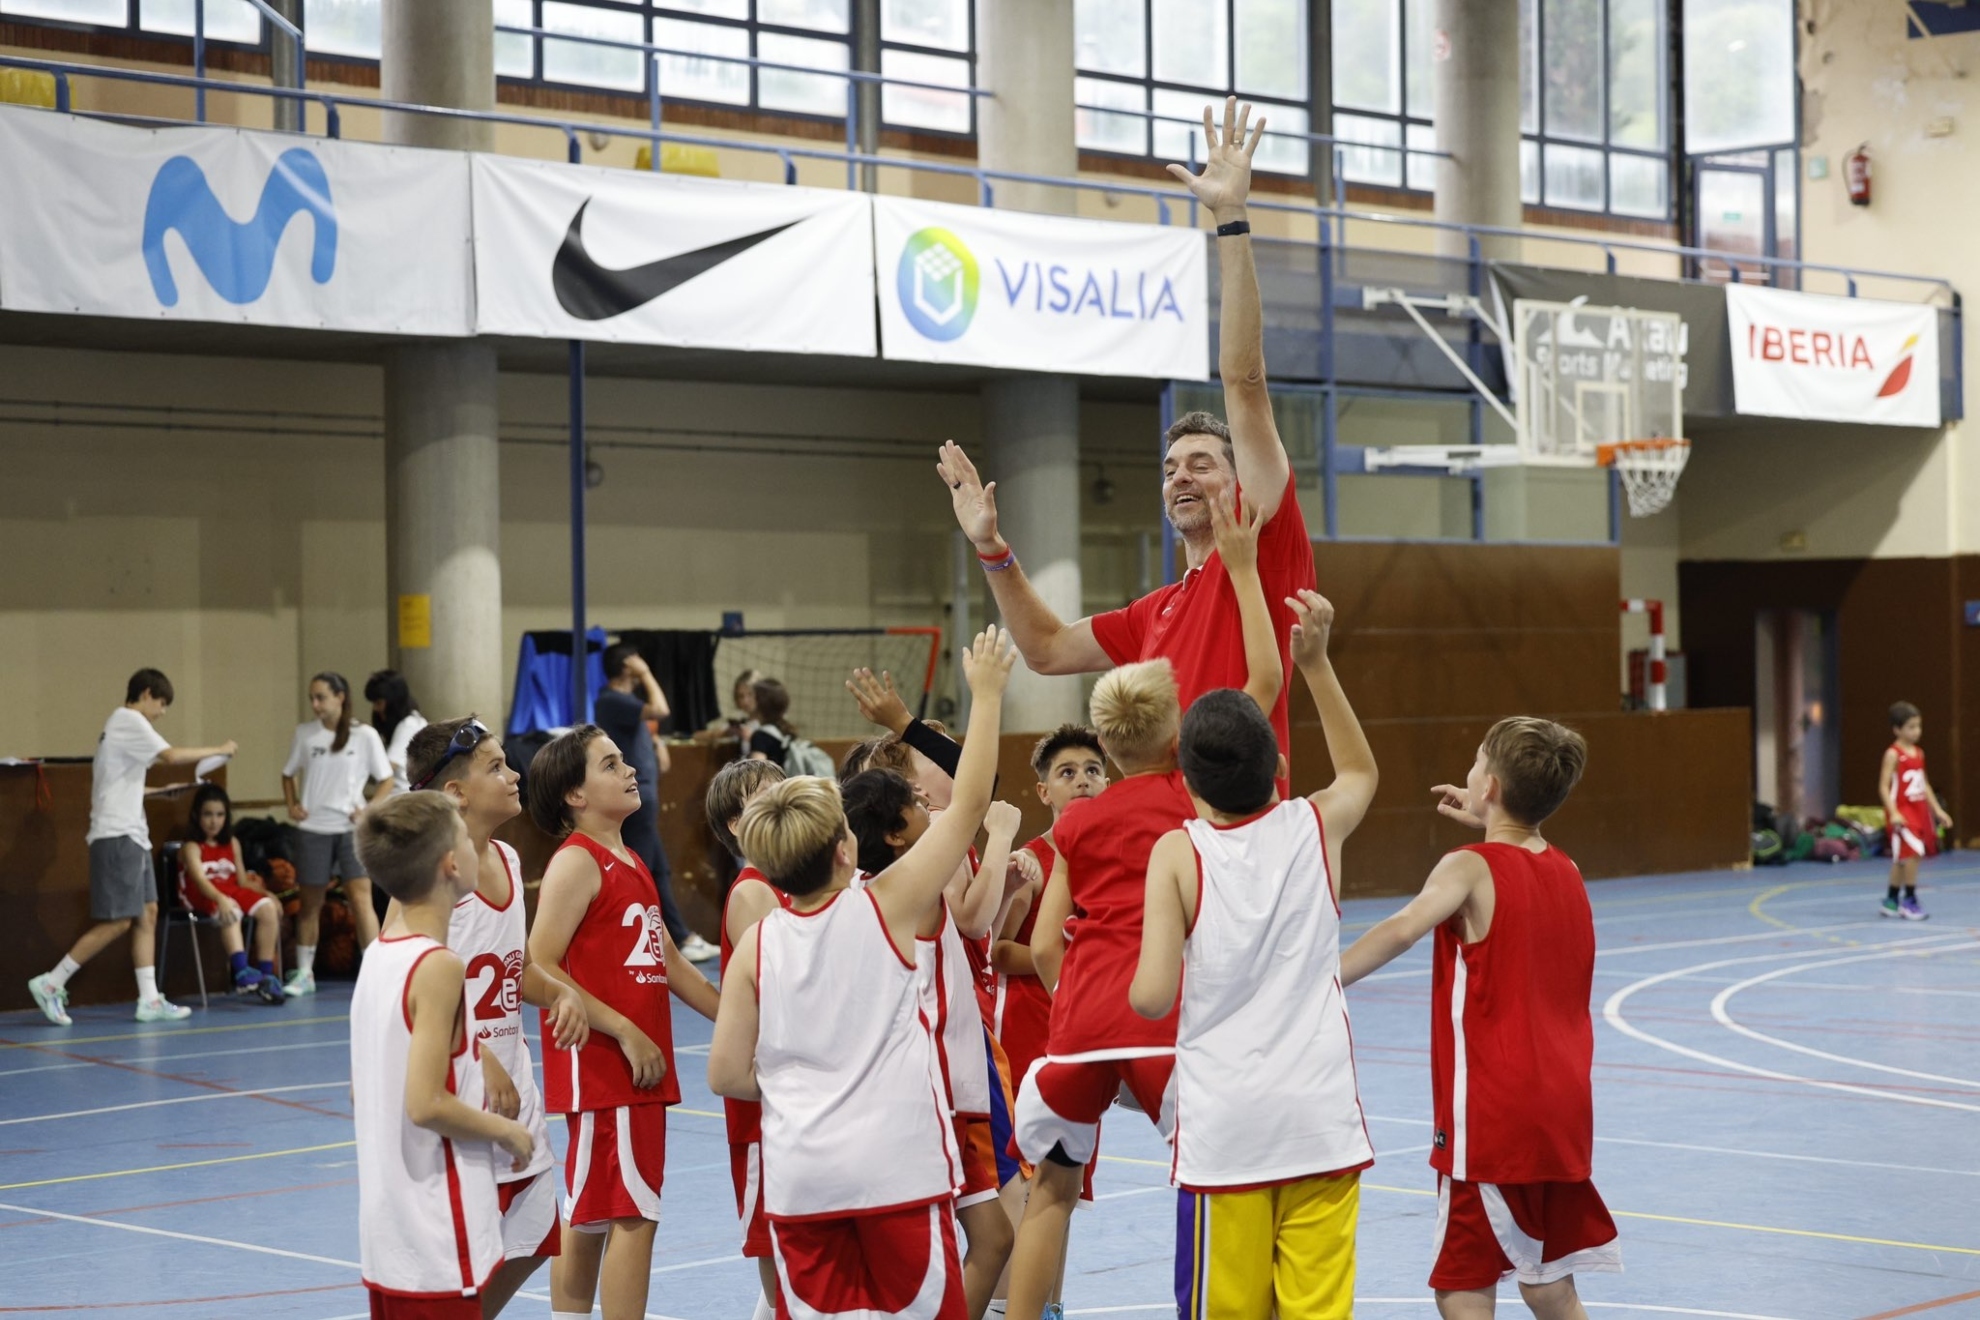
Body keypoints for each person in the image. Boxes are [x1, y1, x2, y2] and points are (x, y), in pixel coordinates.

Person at [936, 97, 1313, 789]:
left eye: (1201, 464)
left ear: (1242, 483)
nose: (1181, 476)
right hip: (1162, 832)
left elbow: (1245, 380)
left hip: (1239, 824)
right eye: (1170, 468)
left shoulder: (1264, 540)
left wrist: (1230, 219)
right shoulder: (1157, 611)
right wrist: (991, 548)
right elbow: (1047, 650)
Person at [1003, 493, 1283, 1320]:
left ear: (1105, 742)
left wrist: (1075, 1001)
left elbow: (1046, 945)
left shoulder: (1077, 822)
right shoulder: (1199, 801)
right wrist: (1244, 571)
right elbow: (1265, 682)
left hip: (1081, 1026)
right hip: (1166, 1025)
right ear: (1179, 736)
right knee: (1213, 1180)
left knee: (1051, 1192)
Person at [705, 625, 1018, 1320]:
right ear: (846, 849)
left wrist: (804, 1083)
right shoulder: (888, 906)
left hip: (802, 1174)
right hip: (893, 1164)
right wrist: (989, 695)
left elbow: (725, 1074)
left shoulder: (758, 942)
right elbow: (970, 802)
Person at [1130, 590, 1379, 1320]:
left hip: (1228, 1129)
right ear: (1278, 766)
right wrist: (1317, 665)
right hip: (1320, 1121)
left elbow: (1151, 996)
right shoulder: (1315, 826)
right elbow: (1359, 772)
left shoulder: (1177, 852)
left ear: (1185, 778)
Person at [1339, 718, 1620, 1319]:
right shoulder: (1567, 869)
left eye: (1475, 764)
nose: (1467, 774)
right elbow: (1516, 863)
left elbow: (1402, 929)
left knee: (1462, 1284)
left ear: (1489, 786)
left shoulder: (1467, 866)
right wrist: (1493, 822)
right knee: (1547, 1279)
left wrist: (1320, 979)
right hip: (1563, 1107)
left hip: (1493, 1113)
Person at [525, 724, 722, 1320]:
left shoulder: (630, 859)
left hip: (628, 1071)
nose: (630, 768)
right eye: (610, 764)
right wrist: (625, 1029)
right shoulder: (576, 862)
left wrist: (742, 1020)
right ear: (575, 794)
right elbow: (538, 965)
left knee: (590, 1215)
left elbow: (670, 962)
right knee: (633, 1215)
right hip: (608, 1068)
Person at [404, 717, 591, 1318]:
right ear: (456, 792)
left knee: (534, 1239)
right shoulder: (430, 878)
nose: (514, 776)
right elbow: (408, 984)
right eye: (496, 767)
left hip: (516, 1087)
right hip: (461, 1091)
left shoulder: (509, 858)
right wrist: (478, 1057)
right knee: (462, 1261)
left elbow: (516, 969)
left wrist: (559, 992)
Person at [842, 766, 1024, 1319]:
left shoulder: (871, 887)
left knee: (993, 1237)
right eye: (914, 802)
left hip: (945, 1085)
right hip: (929, 1092)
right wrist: (1000, 832)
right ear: (895, 834)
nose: (927, 803)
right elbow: (973, 797)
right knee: (927, 1259)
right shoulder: (910, 887)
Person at [349, 791, 535, 1320]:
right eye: (466, 841)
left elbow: (362, 1090)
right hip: (436, 1232)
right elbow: (425, 1103)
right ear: (451, 864)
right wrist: (507, 1131)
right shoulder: (438, 966)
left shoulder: (378, 957)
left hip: (388, 1232)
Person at [27, 668, 237, 1026]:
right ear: (145, 694)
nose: (162, 712)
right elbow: (171, 755)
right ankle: (51, 982)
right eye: (161, 703)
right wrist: (220, 749)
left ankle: (150, 999)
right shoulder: (128, 719)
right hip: (117, 836)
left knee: (147, 912)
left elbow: (117, 783)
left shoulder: (120, 728)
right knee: (119, 921)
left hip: (134, 834)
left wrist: (158, 792)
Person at [705, 757, 791, 1320]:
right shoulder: (754, 894)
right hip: (766, 1101)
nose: (785, 802)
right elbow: (783, 1000)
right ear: (737, 825)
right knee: (779, 1248)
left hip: (796, 1092)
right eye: (767, 795)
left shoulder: (792, 885)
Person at [594, 643, 716, 961]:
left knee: (658, 870)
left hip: (645, 793)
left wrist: (656, 742)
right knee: (641, 870)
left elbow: (649, 725)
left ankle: (682, 938)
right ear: (626, 665)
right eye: (636, 660)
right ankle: (629, 940)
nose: (642, 663)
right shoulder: (612, 699)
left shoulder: (626, 704)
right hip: (635, 795)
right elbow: (661, 709)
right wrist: (647, 673)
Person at [281, 670, 394, 994]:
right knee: (310, 904)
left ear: (340, 697)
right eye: (312, 699)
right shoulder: (305, 734)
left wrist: (369, 809)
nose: (315, 704)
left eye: (321, 697)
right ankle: (304, 974)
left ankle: (374, 972)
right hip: (312, 829)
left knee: (361, 899)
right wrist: (292, 805)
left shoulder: (365, 735)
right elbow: (287, 774)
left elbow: (386, 778)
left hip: (351, 830)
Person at [179, 783, 285, 1004]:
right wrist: (220, 899)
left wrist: (267, 894)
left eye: (220, 815)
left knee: (267, 909)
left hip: (229, 890)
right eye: (208, 814)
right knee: (231, 909)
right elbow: (200, 881)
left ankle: (266, 975)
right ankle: (242, 971)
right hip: (200, 894)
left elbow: (243, 881)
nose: (214, 821)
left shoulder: (232, 843)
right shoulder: (191, 847)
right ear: (197, 815)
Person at [1879, 701, 1951, 920]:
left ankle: (1891, 899)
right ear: (1897, 729)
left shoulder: (1919, 753)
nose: (1916, 731)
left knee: (1902, 858)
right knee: (1914, 853)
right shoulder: (1893, 754)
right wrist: (1894, 812)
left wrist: (1937, 810)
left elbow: (1924, 784)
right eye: (1910, 727)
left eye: (1918, 726)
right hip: (1902, 812)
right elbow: (1883, 786)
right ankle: (1909, 900)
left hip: (1918, 810)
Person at [366, 669, 429, 796]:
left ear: (393, 702)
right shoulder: (406, 723)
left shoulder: (410, 725)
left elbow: (387, 769)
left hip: (405, 796)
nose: (376, 709)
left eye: (378, 703)